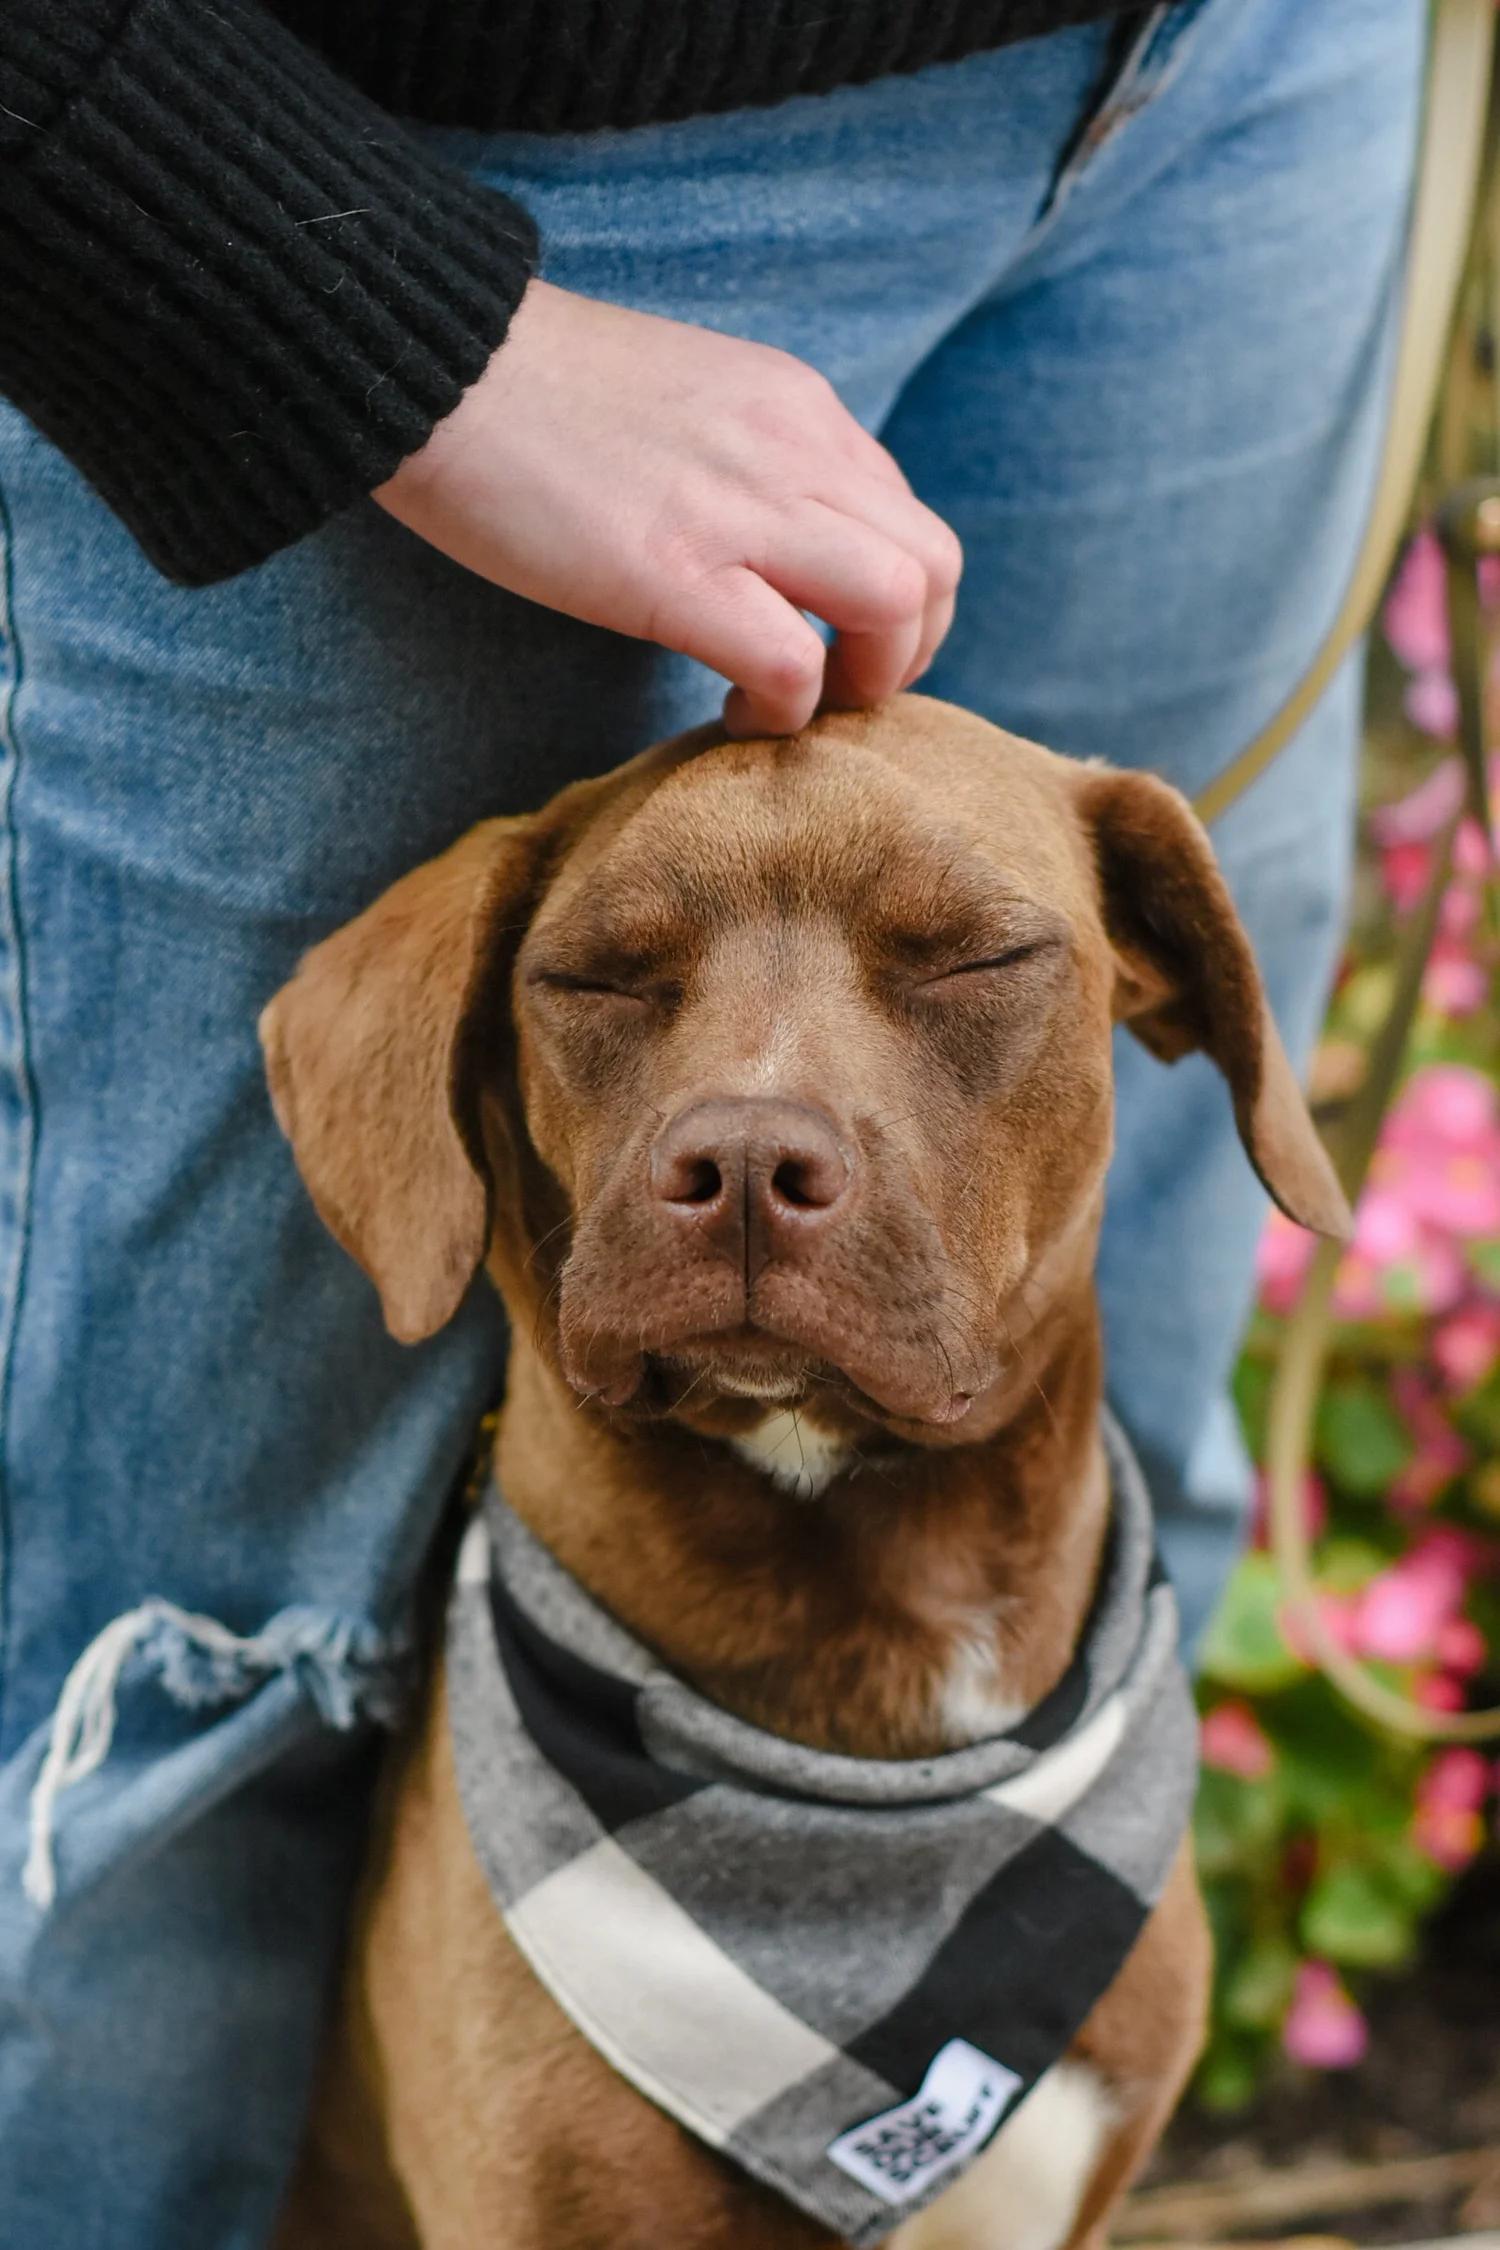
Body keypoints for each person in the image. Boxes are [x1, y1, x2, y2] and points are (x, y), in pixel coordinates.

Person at [0, 0, 1421, 2238]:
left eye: (969, 974)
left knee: (1127, 1476)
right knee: (196, 1697)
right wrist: (363, 303)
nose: (753, 1131)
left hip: (1231, 82)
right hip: (386, 151)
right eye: (605, 984)